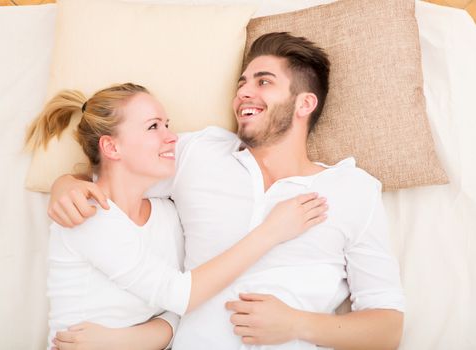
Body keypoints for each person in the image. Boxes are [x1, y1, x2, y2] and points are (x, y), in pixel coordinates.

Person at [48, 32, 405, 350]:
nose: (243, 93)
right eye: (242, 83)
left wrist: (297, 324)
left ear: (304, 104)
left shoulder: (353, 189)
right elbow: (115, 167)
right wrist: (63, 186)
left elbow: (388, 330)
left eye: (264, 82)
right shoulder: (198, 153)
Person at [25, 82, 328, 349]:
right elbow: (182, 295)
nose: (172, 137)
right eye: (154, 126)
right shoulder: (88, 215)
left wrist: (121, 342)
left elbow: (180, 312)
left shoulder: (167, 213)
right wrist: (271, 231)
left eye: (167, 125)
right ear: (111, 146)